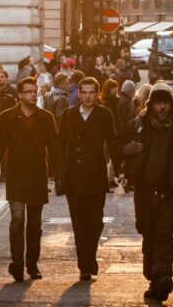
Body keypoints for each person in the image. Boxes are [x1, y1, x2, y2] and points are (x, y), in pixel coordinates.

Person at [121, 82, 173, 302]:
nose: (162, 108)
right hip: (144, 192)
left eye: (166, 103)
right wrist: (125, 150)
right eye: (158, 104)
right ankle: (153, 277)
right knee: (148, 233)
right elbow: (117, 145)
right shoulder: (139, 125)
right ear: (151, 105)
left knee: (164, 235)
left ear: (172, 105)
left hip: (171, 193)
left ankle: (163, 276)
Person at [0, 76, 63, 282]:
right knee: (17, 220)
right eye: (27, 91)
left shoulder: (46, 117)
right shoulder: (7, 117)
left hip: (37, 175)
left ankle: (32, 263)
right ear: (19, 94)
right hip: (16, 176)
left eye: (34, 91)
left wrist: (60, 177)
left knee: (34, 225)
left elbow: (55, 149)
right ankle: (17, 262)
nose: (31, 95)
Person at [56, 76, 121, 280]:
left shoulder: (104, 114)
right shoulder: (68, 115)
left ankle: (90, 256)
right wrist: (59, 174)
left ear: (97, 93)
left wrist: (120, 171)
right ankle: (85, 265)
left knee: (95, 221)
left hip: (96, 176)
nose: (87, 96)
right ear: (79, 93)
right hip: (74, 177)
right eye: (84, 92)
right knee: (79, 223)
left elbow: (112, 143)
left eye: (91, 92)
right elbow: (60, 145)